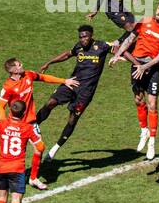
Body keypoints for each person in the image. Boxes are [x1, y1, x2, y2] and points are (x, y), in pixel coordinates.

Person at [109, 0, 159, 161]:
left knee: (152, 104)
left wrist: (145, 67)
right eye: (158, 8)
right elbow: (129, 40)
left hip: (151, 68)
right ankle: (143, 130)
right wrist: (117, 55)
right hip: (137, 64)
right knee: (139, 100)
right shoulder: (145, 21)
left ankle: (152, 141)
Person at [36, 25, 114, 160]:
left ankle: (55, 148)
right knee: (51, 102)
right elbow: (67, 54)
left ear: (91, 35)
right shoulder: (79, 47)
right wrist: (50, 62)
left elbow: (121, 49)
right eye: (81, 37)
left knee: (72, 119)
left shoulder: (102, 46)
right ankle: (34, 126)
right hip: (72, 84)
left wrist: (120, 57)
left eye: (85, 36)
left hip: (85, 92)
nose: (83, 39)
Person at [0, 57, 76, 189]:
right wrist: (4, 123)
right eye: (19, 64)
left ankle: (33, 178)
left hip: (31, 122)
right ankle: (3, 177)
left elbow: (44, 78)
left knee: (39, 148)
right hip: (16, 124)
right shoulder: (8, 87)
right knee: (14, 154)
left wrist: (64, 81)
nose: (22, 65)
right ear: (13, 70)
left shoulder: (28, 75)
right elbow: (0, 106)